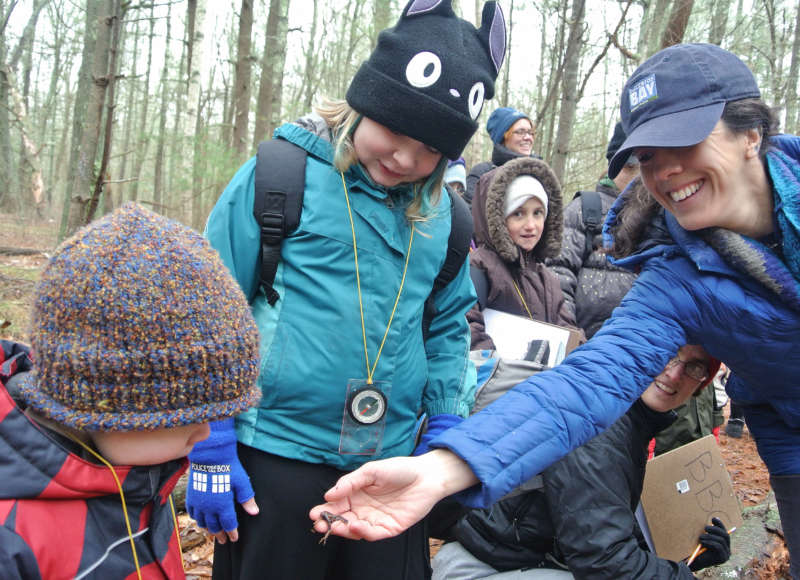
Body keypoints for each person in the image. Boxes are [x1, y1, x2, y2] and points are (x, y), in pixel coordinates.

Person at [308, 43, 800, 580]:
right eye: (648, 156)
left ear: (752, 133)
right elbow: (582, 387)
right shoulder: (676, 277)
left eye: (683, 138)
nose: (666, 171)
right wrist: (443, 469)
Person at [187, 1, 506, 579]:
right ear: (366, 100)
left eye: (431, 148)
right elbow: (210, 308)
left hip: (392, 464)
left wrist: (444, 422)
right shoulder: (280, 175)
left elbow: (444, 329)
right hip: (275, 456)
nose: (406, 158)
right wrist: (211, 437)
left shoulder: (447, 220)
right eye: (396, 130)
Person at [0, 203, 261, 579]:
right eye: (193, 414)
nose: (206, 432)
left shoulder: (139, 476)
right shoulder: (13, 542)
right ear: (116, 401)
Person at [432, 345, 729, 580]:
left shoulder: (628, 419)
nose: (673, 374)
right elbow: (605, 564)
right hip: (479, 569)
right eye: (668, 354)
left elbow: (604, 524)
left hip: (523, 562)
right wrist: (680, 575)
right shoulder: (599, 429)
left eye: (694, 366)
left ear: (702, 384)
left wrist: (689, 556)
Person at [467, 156, 578, 350]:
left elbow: (567, 331)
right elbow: (467, 326)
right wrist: (497, 369)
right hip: (494, 376)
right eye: (518, 213)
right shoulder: (478, 266)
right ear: (498, 218)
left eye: (537, 213)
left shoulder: (547, 279)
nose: (531, 226)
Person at [546, 121, 639, 338]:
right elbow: (557, 276)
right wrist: (571, 336)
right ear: (621, 167)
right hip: (585, 345)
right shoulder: (586, 209)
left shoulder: (659, 218)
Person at [466, 107, 541, 206]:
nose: (528, 138)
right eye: (520, 132)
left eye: (530, 132)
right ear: (503, 137)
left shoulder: (541, 173)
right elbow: (471, 215)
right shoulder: (482, 174)